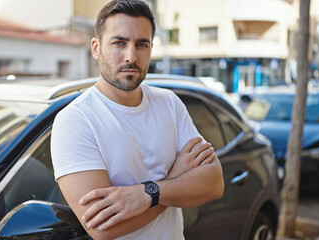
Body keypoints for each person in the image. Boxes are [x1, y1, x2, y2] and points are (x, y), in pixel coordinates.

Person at [51, 0, 224, 239]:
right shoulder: (75, 121)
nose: (131, 56)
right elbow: (103, 228)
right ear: (96, 48)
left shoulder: (169, 103)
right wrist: (173, 182)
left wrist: (147, 193)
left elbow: (214, 183)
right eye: (119, 43)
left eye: (141, 44)